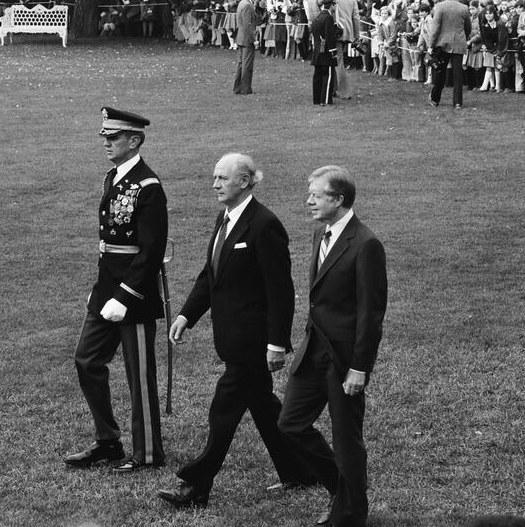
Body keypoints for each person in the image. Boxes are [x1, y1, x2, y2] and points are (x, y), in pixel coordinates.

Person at [156, 153, 313, 508]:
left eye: (222, 179)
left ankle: (196, 486)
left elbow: (280, 289)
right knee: (263, 406)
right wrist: (186, 315)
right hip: (230, 338)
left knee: (223, 410)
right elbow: (210, 274)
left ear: (245, 181)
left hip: (252, 343)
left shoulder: (264, 225)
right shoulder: (225, 218)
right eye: (214, 178)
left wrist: (276, 343)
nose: (214, 185)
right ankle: (302, 469)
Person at [278, 165, 387, 527]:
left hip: (343, 360)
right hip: (313, 353)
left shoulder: (366, 244)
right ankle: (342, 492)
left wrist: (360, 367)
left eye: (316, 195)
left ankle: (351, 515)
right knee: (290, 424)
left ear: (338, 199)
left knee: (346, 440)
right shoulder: (320, 234)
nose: (308, 201)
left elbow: (371, 314)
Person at [65, 107, 168, 472]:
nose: (107, 142)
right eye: (106, 137)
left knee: (138, 374)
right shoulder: (115, 177)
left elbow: (152, 251)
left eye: (114, 137)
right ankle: (107, 441)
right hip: (106, 289)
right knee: (86, 360)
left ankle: (149, 452)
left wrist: (124, 296)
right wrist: (103, 292)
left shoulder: (148, 186)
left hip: (133, 296)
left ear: (134, 140)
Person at [428, 0, 472, 108]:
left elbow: (435, 28)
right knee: (458, 74)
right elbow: (468, 28)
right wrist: (462, 38)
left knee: (440, 72)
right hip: (458, 43)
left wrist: (431, 45)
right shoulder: (464, 8)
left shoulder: (440, 6)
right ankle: (457, 102)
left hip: (443, 44)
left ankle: (435, 99)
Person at [311, 0, 342, 105]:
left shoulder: (318, 17)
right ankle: (325, 100)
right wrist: (333, 52)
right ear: (332, 5)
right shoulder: (328, 18)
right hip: (326, 52)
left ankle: (317, 99)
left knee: (318, 76)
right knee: (328, 77)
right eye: (335, 5)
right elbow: (329, 37)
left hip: (317, 51)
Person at [333, 0, 359, 97]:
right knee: (338, 61)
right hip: (347, 32)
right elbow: (356, 18)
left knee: (338, 62)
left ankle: (343, 92)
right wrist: (356, 36)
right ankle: (334, 89)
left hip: (335, 31)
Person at [233, 0, 258, 94]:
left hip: (241, 38)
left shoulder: (242, 3)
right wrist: (253, 40)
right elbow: (247, 25)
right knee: (247, 65)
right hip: (246, 39)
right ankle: (245, 89)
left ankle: (237, 87)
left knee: (241, 64)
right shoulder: (247, 5)